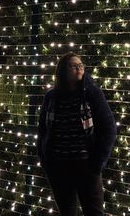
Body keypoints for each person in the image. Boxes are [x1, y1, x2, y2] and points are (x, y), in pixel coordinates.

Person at [37, 51, 117, 216]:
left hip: (86, 168)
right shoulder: (51, 97)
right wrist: (46, 162)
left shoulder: (91, 94)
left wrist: (96, 166)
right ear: (62, 71)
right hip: (59, 168)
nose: (79, 68)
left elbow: (109, 128)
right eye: (73, 66)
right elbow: (43, 132)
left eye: (80, 65)